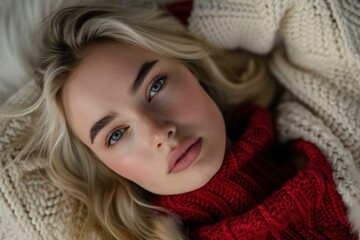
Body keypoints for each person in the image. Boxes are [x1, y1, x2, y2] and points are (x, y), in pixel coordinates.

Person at [1, 1, 359, 239]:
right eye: (115, 135)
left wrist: (189, 20)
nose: (160, 132)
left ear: (191, 69)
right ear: (106, 168)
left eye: (156, 85)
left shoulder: (334, 115)